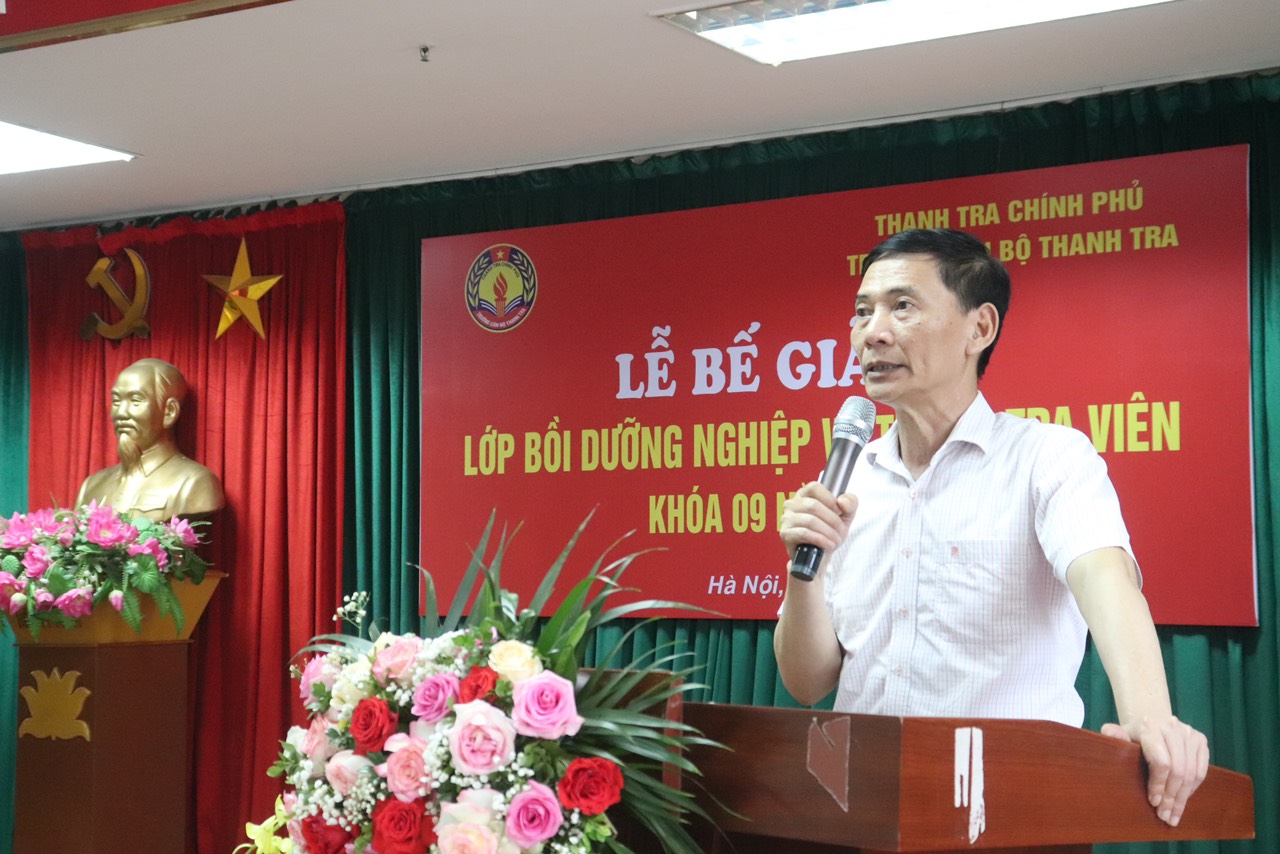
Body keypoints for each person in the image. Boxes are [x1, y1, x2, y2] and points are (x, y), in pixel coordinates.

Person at [775, 228, 1208, 827]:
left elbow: (1104, 579)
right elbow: (806, 683)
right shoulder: (851, 481)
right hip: (857, 804)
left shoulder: (1047, 458)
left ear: (979, 328)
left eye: (902, 306)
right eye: (862, 311)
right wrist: (806, 569)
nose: (872, 332)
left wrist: (1150, 716)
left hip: (1006, 807)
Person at [76, 358, 225, 522]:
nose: (120, 413)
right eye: (116, 401)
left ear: (169, 412)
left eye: (135, 400)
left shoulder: (193, 483)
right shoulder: (91, 486)